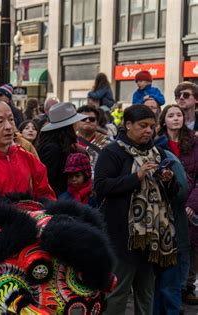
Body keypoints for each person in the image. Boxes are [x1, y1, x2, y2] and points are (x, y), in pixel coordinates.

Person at [94, 105, 177, 315]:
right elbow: (101, 187)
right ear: (128, 125)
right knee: (117, 293)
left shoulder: (156, 152)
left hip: (151, 238)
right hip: (122, 236)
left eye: (151, 126)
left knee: (146, 293)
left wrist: (168, 180)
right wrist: (136, 177)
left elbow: (170, 193)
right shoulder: (112, 152)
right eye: (143, 126)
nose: (149, 131)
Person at [156, 104, 198, 306]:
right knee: (165, 248)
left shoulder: (194, 142)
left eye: (179, 115)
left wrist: (192, 203)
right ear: (164, 120)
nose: (176, 118)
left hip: (189, 205)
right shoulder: (157, 144)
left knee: (186, 249)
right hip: (164, 204)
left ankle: (182, 290)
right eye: (171, 115)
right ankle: (167, 296)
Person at [35, 102, 88, 196]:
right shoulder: (52, 148)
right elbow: (48, 181)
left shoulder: (61, 144)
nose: (77, 125)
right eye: (74, 122)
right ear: (68, 126)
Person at [75, 105, 111, 176]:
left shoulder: (107, 143)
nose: (88, 121)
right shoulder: (69, 141)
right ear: (76, 122)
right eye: (83, 119)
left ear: (97, 123)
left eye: (92, 119)